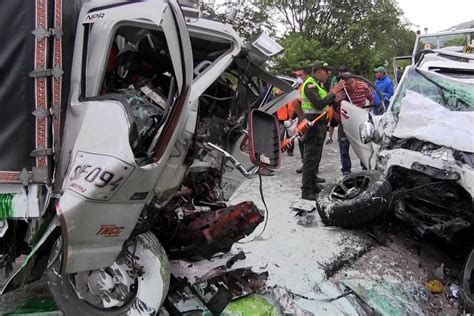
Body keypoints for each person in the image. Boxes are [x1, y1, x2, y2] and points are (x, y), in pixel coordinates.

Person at [293, 61, 345, 201]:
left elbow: (324, 103)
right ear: (318, 71)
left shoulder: (318, 85)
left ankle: (313, 184)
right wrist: (333, 92)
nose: (328, 73)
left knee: (315, 157)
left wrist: (334, 98)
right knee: (310, 158)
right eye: (326, 71)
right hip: (313, 124)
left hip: (320, 125)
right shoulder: (310, 85)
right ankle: (306, 191)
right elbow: (319, 103)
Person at [336, 73, 374, 175]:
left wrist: (369, 112)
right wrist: (336, 100)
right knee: (344, 146)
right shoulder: (340, 91)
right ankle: (346, 169)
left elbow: (371, 98)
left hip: (360, 120)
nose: (351, 86)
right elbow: (333, 106)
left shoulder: (362, 86)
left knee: (365, 144)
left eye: (352, 82)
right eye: (348, 84)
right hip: (345, 121)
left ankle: (365, 166)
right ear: (343, 84)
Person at [293, 66, 312, 173]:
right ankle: (304, 164)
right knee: (301, 142)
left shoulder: (309, 85)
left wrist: (298, 99)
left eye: (300, 75)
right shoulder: (299, 87)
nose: (298, 77)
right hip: (301, 118)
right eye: (297, 75)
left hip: (308, 117)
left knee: (309, 143)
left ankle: (311, 168)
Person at [326, 65, 348, 144]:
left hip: (345, 101)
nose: (340, 73)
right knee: (333, 121)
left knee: (344, 120)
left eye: (342, 71)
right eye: (339, 71)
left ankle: (342, 136)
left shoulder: (348, 79)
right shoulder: (335, 79)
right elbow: (332, 90)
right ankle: (330, 137)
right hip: (335, 101)